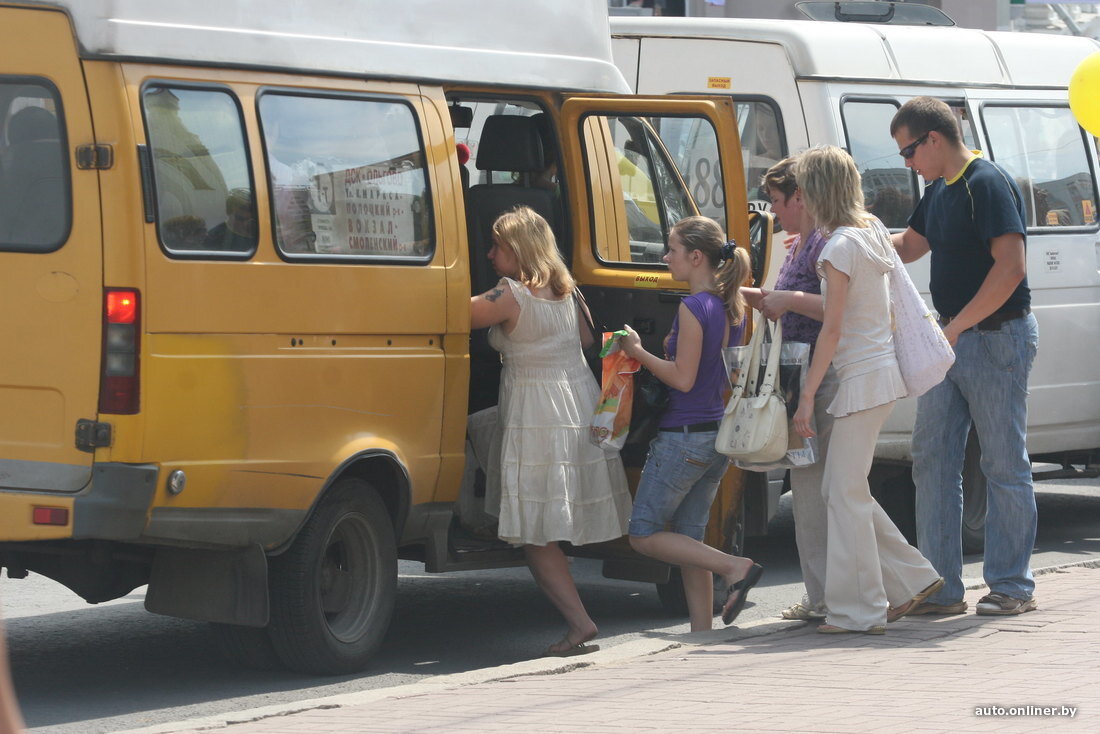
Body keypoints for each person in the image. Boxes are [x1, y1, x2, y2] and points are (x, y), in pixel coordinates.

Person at [890, 96, 1039, 617]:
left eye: (909, 151)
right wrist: (849, 237)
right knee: (932, 461)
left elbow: (1011, 268)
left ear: (933, 139)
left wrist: (955, 327)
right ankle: (942, 589)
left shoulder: (985, 182)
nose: (906, 163)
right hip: (953, 339)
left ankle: (1011, 586)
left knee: (1002, 463)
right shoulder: (939, 189)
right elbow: (909, 245)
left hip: (995, 339)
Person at [791, 145, 943, 635]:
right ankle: (911, 581)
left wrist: (807, 397)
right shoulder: (871, 231)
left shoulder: (838, 246)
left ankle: (860, 610)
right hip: (879, 375)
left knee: (844, 494)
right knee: (847, 490)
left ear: (816, 190)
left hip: (859, 376)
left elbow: (831, 329)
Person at [470, 206, 632, 657]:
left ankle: (579, 623)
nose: (489, 253)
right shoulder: (567, 290)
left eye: (497, 245)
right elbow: (584, 341)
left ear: (518, 250)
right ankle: (578, 620)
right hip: (575, 401)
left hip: (535, 408)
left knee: (536, 531)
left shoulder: (510, 294)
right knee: (547, 520)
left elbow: (453, 312)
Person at [619, 216, 762, 632]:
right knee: (689, 539)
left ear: (696, 257)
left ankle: (736, 567)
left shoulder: (694, 307)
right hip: (715, 436)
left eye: (673, 250)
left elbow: (682, 378)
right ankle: (703, 632)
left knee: (643, 534)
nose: (666, 257)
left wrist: (638, 351)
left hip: (683, 437)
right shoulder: (730, 306)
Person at [740, 157, 832, 623]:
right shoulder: (799, 243)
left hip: (819, 374)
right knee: (809, 487)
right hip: (799, 375)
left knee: (821, 489)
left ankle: (830, 594)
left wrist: (788, 300)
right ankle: (819, 594)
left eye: (777, 201)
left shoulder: (825, 242)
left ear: (800, 196)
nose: (775, 212)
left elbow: (838, 309)